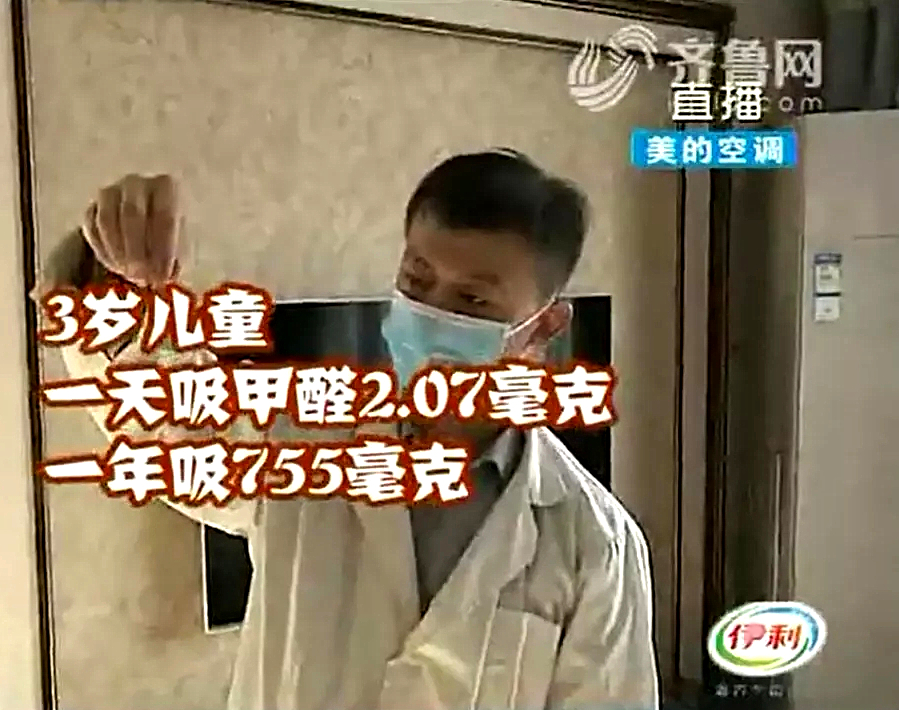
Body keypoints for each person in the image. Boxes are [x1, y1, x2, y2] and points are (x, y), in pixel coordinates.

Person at [36, 150, 659, 710]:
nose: (430, 315)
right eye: (416, 281)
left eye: (471, 302)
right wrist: (119, 270)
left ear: (543, 329)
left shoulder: (594, 544)